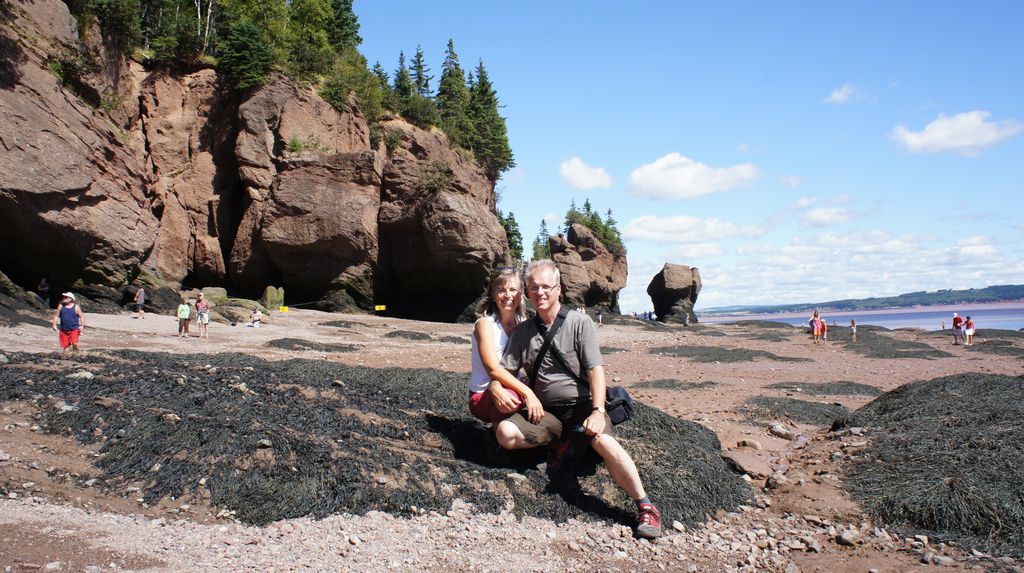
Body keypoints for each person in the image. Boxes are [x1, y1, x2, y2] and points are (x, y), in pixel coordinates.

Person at [493, 259, 662, 539]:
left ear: (558, 289)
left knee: (603, 441)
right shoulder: (523, 332)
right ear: (528, 292)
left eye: (546, 286)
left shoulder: (579, 322)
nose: (540, 292)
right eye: (534, 287)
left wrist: (597, 411)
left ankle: (645, 506)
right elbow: (504, 372)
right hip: (546, 412)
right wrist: (497, 388)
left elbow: (596, 370)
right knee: (505, 433)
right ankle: (562, 443)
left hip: (583, 407)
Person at [468, 269, 559, 461]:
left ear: (521, 293)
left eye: (513, 289)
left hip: (512, 388)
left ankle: (533, 437)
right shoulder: (485, 324)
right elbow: (493, 369)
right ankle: (494, 438)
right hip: (484, 395)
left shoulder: (523, 323)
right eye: (501, 290)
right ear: (493, 294)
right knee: (513, 398)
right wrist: (528, 393)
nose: (507, 295)